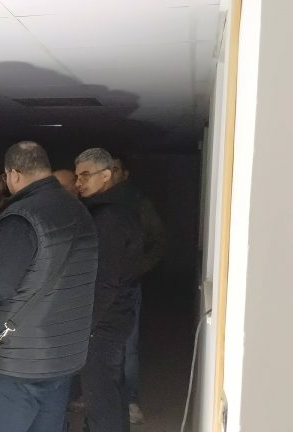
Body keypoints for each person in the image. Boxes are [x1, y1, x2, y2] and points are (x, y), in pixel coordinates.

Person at [0, 141, 97, 432]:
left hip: (16, 363)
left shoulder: (21, 216)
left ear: (14, 174)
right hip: (63, 355)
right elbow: (47, 260)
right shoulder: (78, 210)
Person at [74, 147, 143, 432]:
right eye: (77, 176)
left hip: (105, 320)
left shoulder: (108, 217)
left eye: (85, 175)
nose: (79, 182)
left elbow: (106, 279)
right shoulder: (114, 209)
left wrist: (88, 324)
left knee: (101, 395)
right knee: (109, 391)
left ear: (105, 175)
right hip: (114, 315)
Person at [109, 153, 166, 424]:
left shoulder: (139, 204)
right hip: (100, 286)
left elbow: (158, 241)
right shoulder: (96, 202)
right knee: (99, 345)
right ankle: (98, 395)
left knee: (128, 346)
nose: (110, 174)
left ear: (125, 173)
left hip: (128, 285)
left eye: (115, 169)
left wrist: (137, 268)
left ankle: (130, 401)